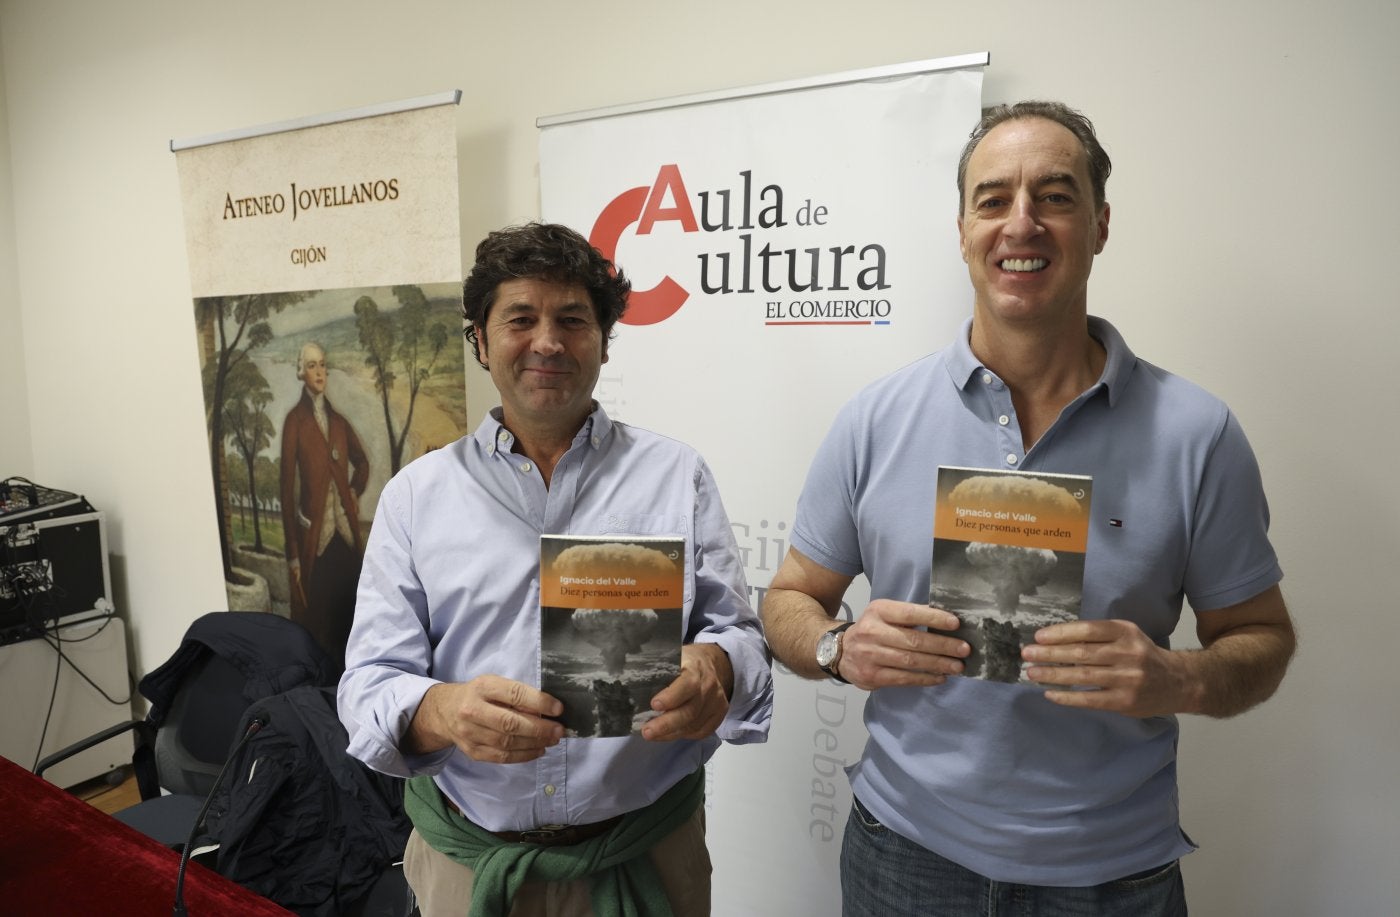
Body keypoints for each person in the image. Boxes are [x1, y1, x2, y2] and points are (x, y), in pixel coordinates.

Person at [761, 101, 1296, 915]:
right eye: (993, 198)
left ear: (1100, 224)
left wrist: (1181, 676)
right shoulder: (875, 419)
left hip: (1113, 878)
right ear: (963, 228)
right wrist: (838, 647)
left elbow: (1263, 636)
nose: (1022, 223)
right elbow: (786, 599)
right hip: (904, 857)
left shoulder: (1199, 434)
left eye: (1054, 195)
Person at [337, 222, 773, 917]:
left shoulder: (676, 477)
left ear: (602, 340)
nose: (547, 340)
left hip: (648, 856)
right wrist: (443, 710)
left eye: (573, 319)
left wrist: (715, 669)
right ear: (480, 340)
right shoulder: (416, 498)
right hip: (470, 865)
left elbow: (743, 639)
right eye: (520, 318)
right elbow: (366, 685)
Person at [280, 340, 368, 667]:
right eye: (313, 365)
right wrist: (293, 556)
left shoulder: (340, 422)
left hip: (344, 538)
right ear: (302, 373)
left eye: (323, 365)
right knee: (319, 631)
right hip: (314, 540)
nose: (320, 372)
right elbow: (286, 489)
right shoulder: (294, 422)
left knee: (354, 620)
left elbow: (362, 464)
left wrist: (354, 492)